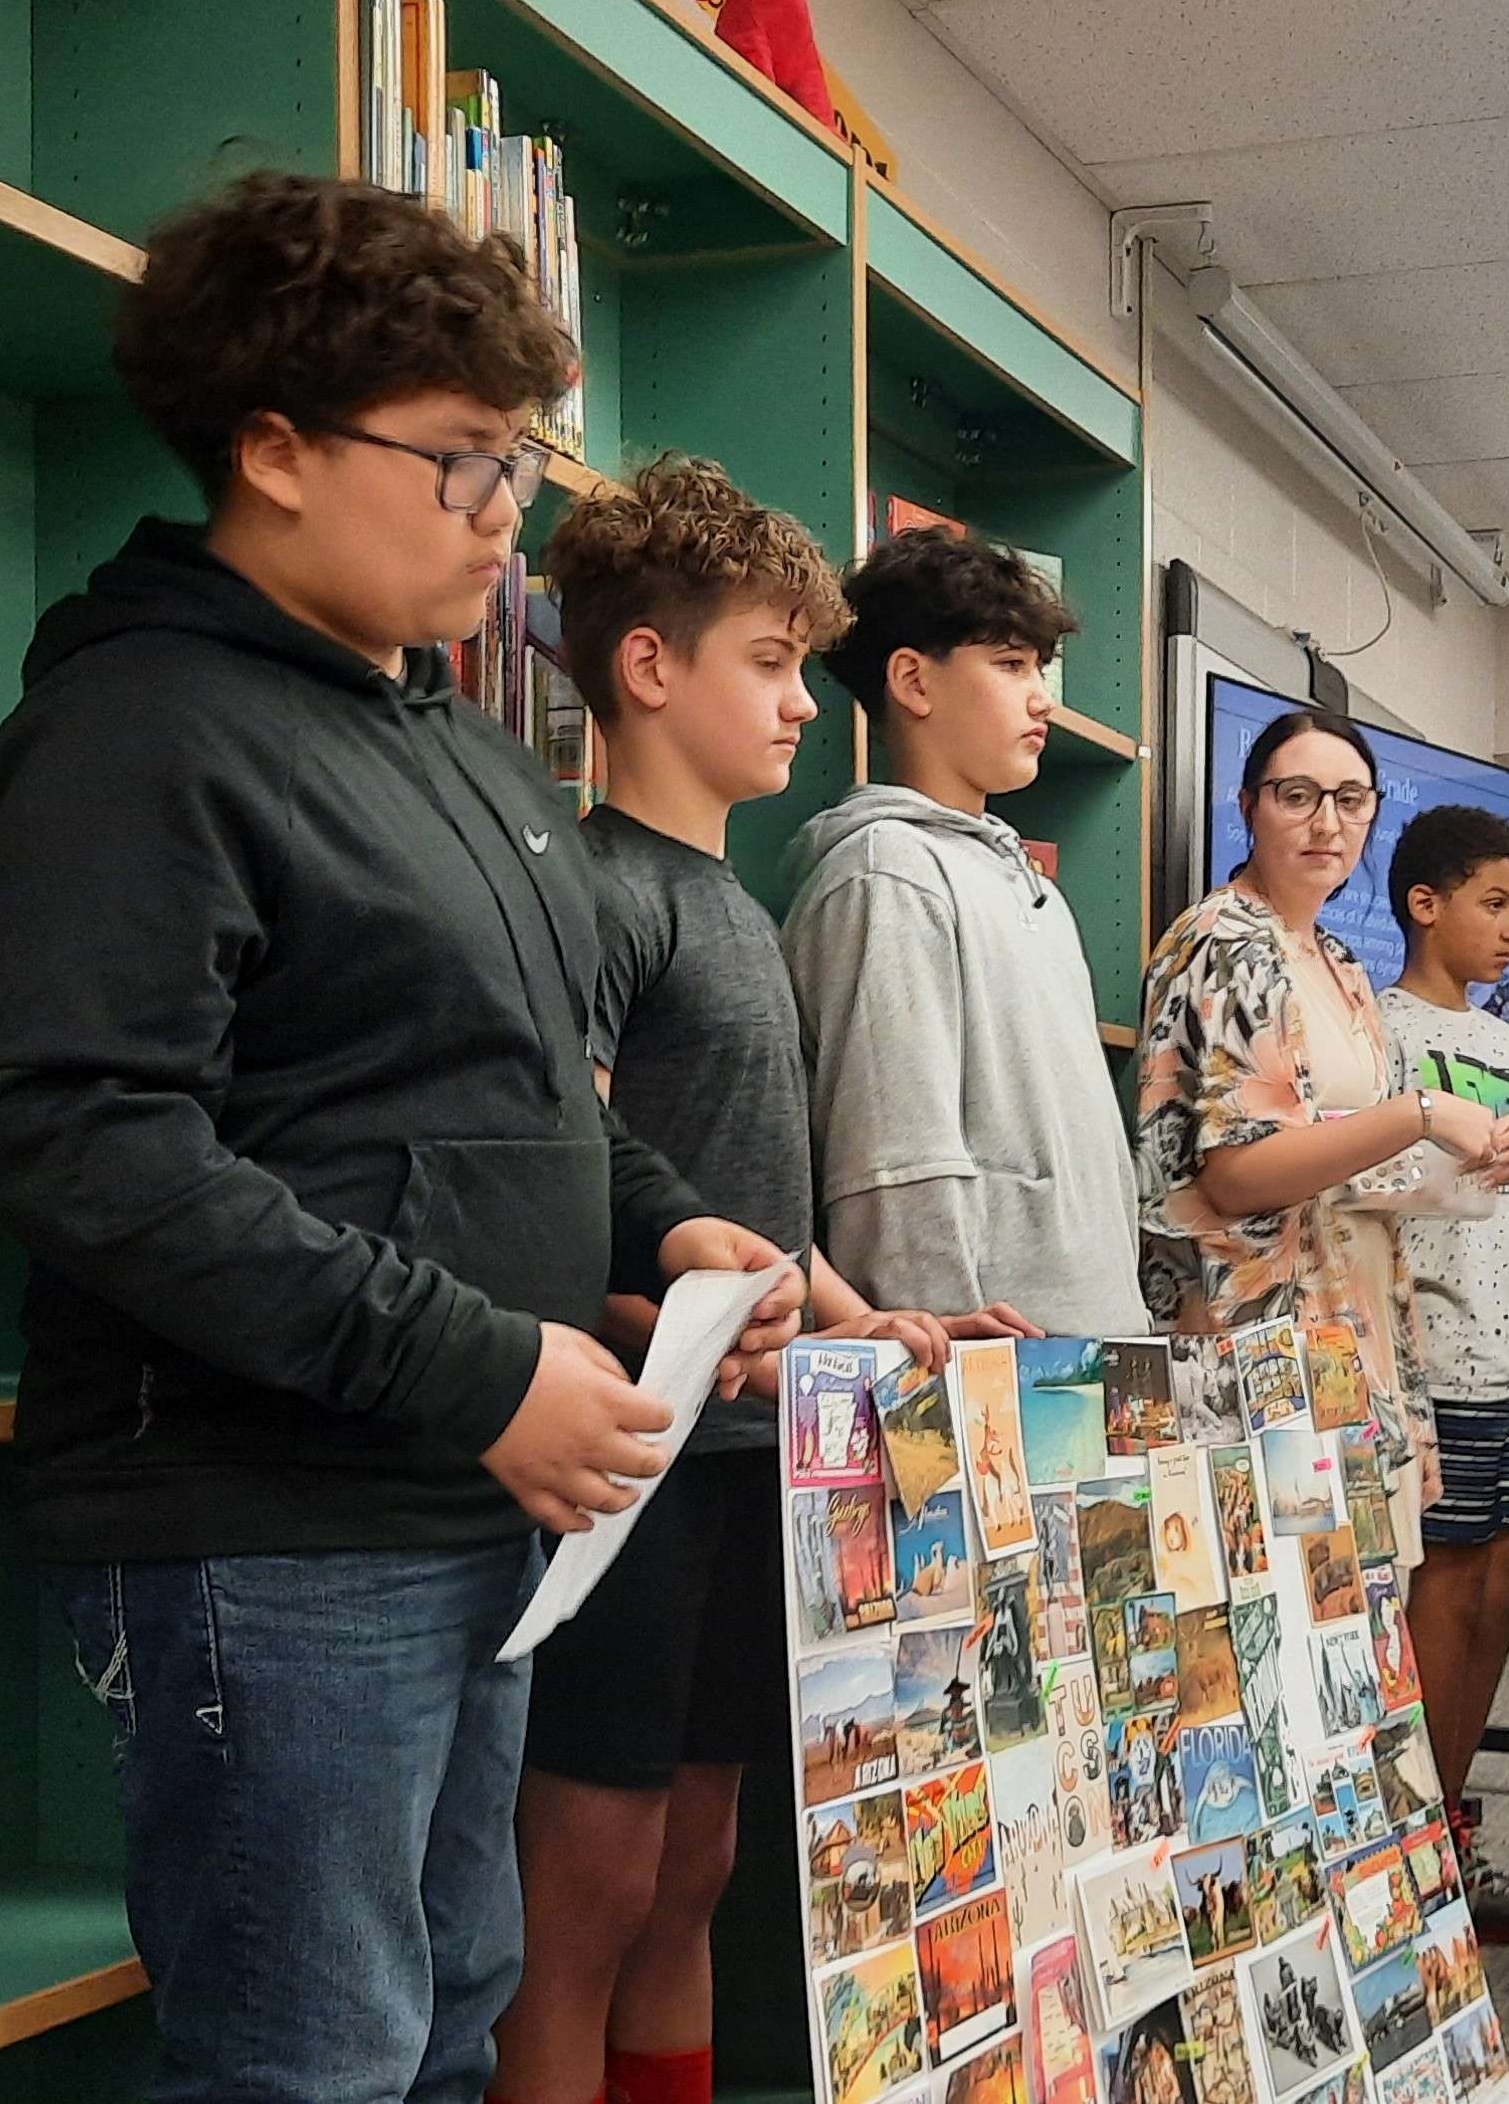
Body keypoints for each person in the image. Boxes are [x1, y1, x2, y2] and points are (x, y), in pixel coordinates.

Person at [0, 172, 802, 2104]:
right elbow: (83, 1140)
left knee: (444, 2018)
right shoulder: (140, 732)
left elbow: (533, 1093)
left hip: (467, 1506)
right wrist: (485, 1362)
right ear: (273, 449)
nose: (507, 519)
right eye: (462, 464)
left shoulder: (453, 744)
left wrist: (667, 1234)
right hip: (275, 1523)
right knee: (309, 2053)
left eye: (515, 465)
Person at [498, 456, 963, 2104]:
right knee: (585, 1899)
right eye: (768, 663)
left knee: (698, 1868)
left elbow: (745, 1204)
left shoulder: (741, 907)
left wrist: (854, 1315)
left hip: (757, 1464)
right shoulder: (593, 895)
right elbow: (578, 1204)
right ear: (648, 666)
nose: (797, 702)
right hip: (630, 1476)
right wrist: (678, 1329)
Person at [1131, 710, 1509, 1511]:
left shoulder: (1338, 961)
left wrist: (1484, 1151)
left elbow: (1345, 1164)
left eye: (1350, 800)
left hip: (1351, 1321)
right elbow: (1239, 1176)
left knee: (1371, 1618)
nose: (1326, 823)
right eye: (1297, 795)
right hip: (1255, 1344)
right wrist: (1420, 1113)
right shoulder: (1226, 943)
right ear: (1248, 806)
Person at [782, 524, 1149, 1339]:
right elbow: (893, 1154)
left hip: (1093, 1342)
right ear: (913, 680)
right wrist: (937, 1349)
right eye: (1010, 665)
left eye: (1038, 669)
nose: (1041, 697)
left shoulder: (1030, 885)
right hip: (983, 1366)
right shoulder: (885, 871)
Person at [1374, 804, 1509, 1945]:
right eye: (1491, 903)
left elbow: (1503, 1175)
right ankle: (1417, 1849)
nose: (1506, 931)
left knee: (1506, 1579)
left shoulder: (1501, 1039)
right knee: (1439, 1587)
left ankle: (1453, 1822)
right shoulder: (1375, 1027)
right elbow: (1356, 1167)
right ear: (1424, 902)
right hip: (1428, 1352)